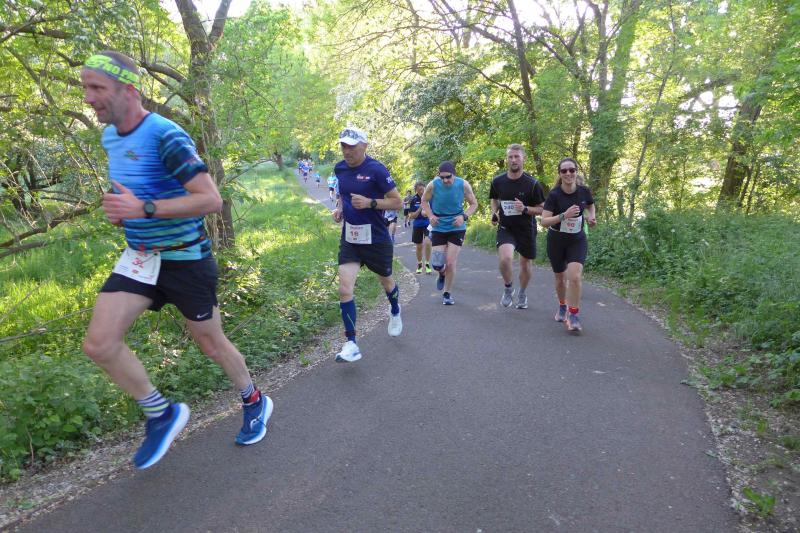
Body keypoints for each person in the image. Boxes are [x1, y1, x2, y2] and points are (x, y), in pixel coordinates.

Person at [78, 51, 272, 470]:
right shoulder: (111, 137)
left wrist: (143, 209)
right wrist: (122, 212)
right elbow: (135, 195)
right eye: (85, 88)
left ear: (129, 90)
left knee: (210, 342)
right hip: (141, 259)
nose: (88, 97)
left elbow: (211, 199)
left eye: (97, 88)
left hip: (186, 259)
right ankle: (160, 413)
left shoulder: (165, 135)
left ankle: (254, 399)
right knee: (99, 343)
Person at [332, 127, 404, 361]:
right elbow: (343, 194)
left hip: (376, 238)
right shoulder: (340, 168)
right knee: (345, 288)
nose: (347, 151)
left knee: (387, 282)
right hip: (351, 238)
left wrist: (370, 203)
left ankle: (395, 309)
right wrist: (340, 209)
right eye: (343, 146)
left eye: (351, 146)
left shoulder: (376, 170)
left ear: (364, 146)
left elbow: (398, 202)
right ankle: (351, 343)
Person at [540, 157, 597, 332]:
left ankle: (573, 315)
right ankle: (562, 305)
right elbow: (544, 221)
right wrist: (564, 215)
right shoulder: (554, 195)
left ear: (576, 171)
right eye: (564, 171)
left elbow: (591, 206)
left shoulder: (584, 191)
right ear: (560, 174)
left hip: (577, 240)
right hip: (556, 240)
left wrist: (591, 217)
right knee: (560, 279)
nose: (568, 173)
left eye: (572, 170)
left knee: (575, 276)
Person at [489, 144, 546, 310]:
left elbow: (543, 209)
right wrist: (494, 213)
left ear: (523, 159)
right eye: (510, 157)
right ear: (507, 159)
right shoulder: (497, 181)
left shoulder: (532, 184)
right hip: (506, 228)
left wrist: (525, 209)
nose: (513, 160)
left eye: (517, 157)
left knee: (525, 265)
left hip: (526, 229)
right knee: (505, 259)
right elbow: (494, 199)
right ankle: (508, 288)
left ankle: (522, 292)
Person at [421, 161, 478, 305]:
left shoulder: (463, 184)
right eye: (442, 177)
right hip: (439, 226)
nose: (445, 180)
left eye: (448, 177)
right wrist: (430, 216)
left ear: (454, 174)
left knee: (451, 262)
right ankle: (441, 274)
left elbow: (474, 204)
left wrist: (463, 216)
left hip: (456, 226)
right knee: (437, 264)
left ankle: (447, 294)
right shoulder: (433, 185)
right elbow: (424, 201)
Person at [408, 181, 432, 274]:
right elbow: (411, 216)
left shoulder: (430, 197)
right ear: (416, 191)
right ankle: (419, 264)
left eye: (422, 189)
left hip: (428, 225)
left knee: (428, 242)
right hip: (417, 225)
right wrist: (420, 209)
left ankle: (427, 263)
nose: (421, 191)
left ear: (425, 188)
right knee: (419, 246)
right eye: (419, 190)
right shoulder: (413, 200)